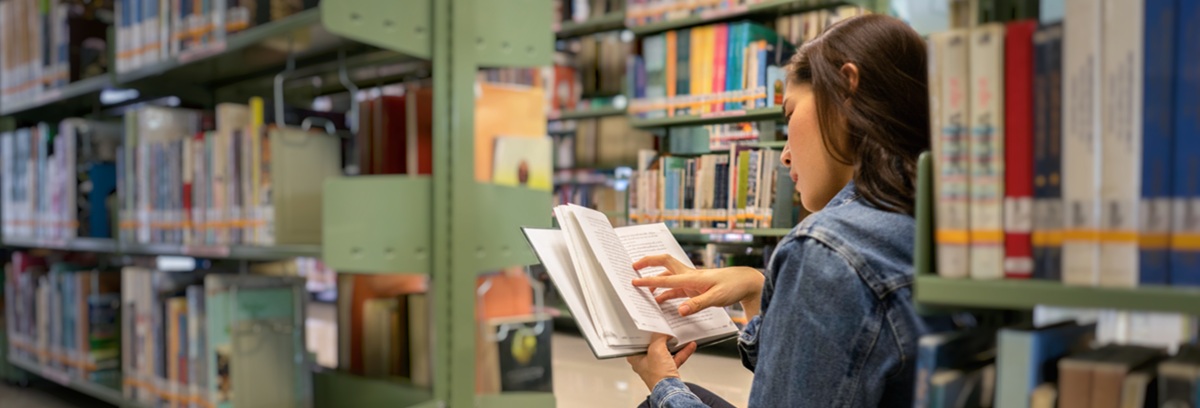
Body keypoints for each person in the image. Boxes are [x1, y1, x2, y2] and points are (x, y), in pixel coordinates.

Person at [626, 14, 931, 407]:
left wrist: (663, 383)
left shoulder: (828, 251)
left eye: (789, 116)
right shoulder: (933, 219)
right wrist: (757, 288)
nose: (785, 155)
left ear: (847, 88)